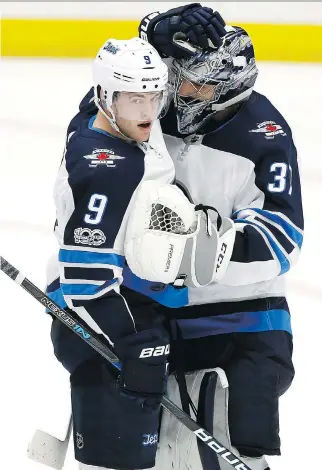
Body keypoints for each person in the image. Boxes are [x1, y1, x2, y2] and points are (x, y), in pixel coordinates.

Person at [122, 3, 303, 470]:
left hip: (243, 316)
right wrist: (150, 36)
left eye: (193, 83)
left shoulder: (265, 136)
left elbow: (283, 236)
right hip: (149, 305)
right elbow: (99, 107)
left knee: (240, 434)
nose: (176, 88)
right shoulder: (153, 107)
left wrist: (209, 253)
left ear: (225, 92)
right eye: (175, 74)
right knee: (128, 428)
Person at [46, 36, 176, 470]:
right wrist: (131, 341)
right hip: (93, 314)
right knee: (119, 461)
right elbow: (84, 279)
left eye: (154, 96)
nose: (148, 111)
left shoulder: (101, 114)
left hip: (126, 297)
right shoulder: (109, 170)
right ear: (107, 96)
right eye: (134, 98)